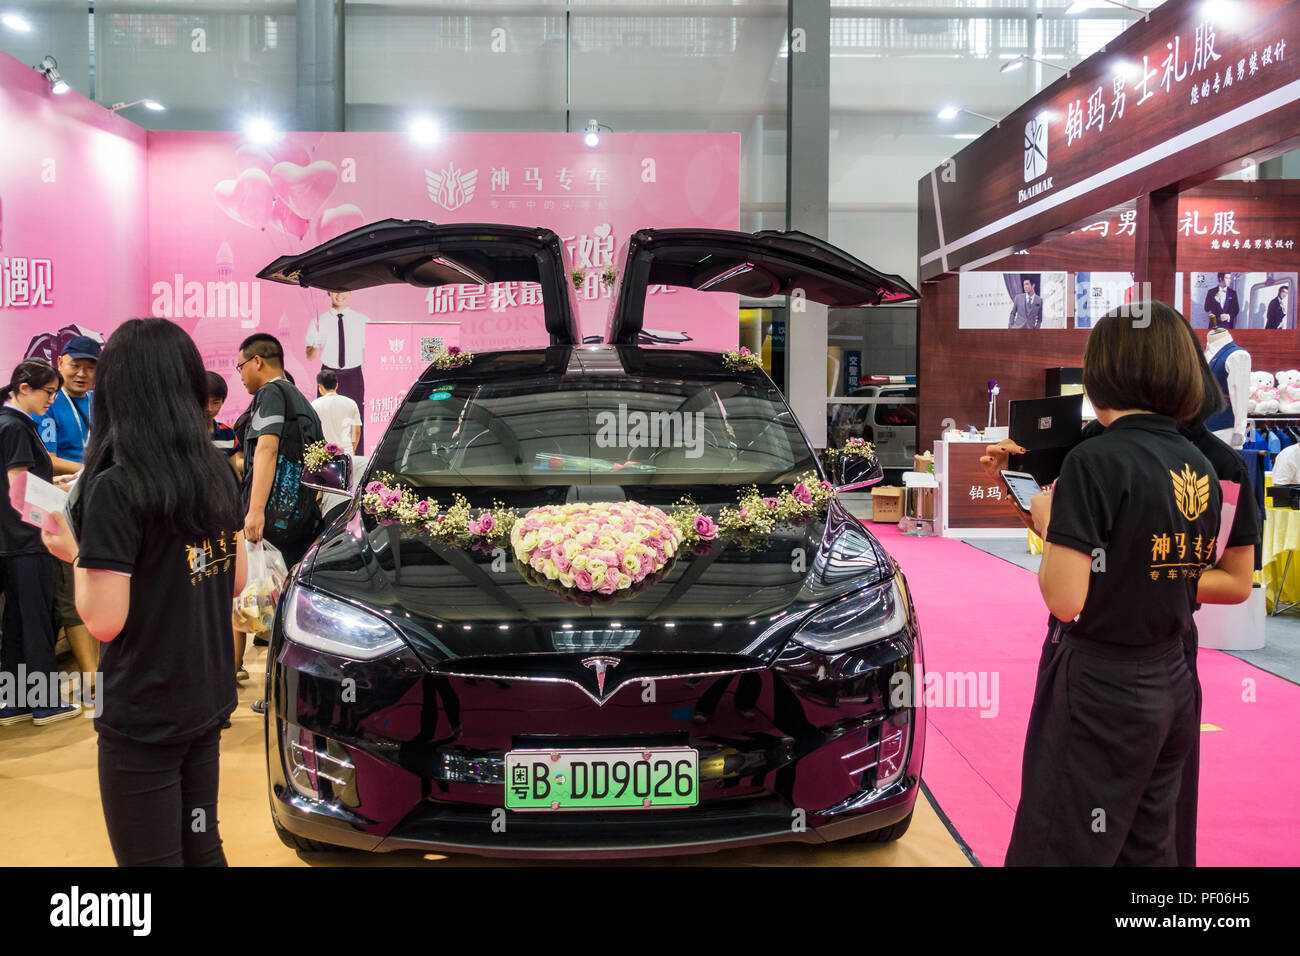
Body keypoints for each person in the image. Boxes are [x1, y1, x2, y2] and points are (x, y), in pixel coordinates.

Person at [992, 302, 1250, 866]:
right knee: (1148, 846)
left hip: (1100, 680)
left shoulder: (1094, 460)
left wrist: (1045, 521)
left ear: (1103, 371)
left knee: (1060, 841)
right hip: (1173, 677)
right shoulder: (1204, 465)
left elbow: (1065, 598)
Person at [40, 319, 247, 866]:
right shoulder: (216, 471)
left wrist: (75, 550)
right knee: (202, 845)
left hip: (144, 706)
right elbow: (238, 578)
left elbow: (104, 620)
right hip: (205, 690)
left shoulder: (115, 485)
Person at [237, 333, 324, 714]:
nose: (240, 376)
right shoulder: (303, 400)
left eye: (241, 367)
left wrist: (255, 511)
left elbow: (267, 448)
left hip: (276, 519)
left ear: (257, 361)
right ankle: (293, 689)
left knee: (273, 608)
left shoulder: (271, 394)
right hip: (300, 519)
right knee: (290, 607)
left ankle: (281, 692)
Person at [0, 360, 80, 726]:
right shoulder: (15, 427)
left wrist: (53, 489)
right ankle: (45, 702)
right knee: (34, 621)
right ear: (24, 388)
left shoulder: (9, 424)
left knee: (17, 623)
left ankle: (15, 702)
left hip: (11, 541)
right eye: (49, 393)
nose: (52, 399)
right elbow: (19, 491)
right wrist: (51, 522)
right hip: (27, 541)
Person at [28, 336, 103, 692]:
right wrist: (90, 470)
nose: (83, 373)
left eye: (91, 367)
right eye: (76, 365)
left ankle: (102, 673)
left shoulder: (95, 402)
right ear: (60, 362)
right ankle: (92, 679)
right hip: (62, 510)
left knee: (99, 584)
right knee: (73, 589)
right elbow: (46, 457)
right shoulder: (50, 404)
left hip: (95, 507)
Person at [305, 290, 369, 449]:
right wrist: (315, 345)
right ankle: (322, 454)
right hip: (328, 372)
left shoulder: (362, 321)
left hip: (353, 374)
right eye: (335, 291)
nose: (340, 295)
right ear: (328, 292)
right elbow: (310, 356)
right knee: (321, 416)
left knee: (355, 418)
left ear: (351, 292)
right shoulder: (318, 321)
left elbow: (371, 349)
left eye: (344, 291)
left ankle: (355, 456)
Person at [311, 368, 362, 455]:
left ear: (320, 387)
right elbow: (356, 431)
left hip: (324, 454)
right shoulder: (351, 403)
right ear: (337, 385)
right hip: (347, 453)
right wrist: (352, 449)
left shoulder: (314, 405)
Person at [205, 371, 243, 478]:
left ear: (222, 402)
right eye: (204, 401)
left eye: (215, 402)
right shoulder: (184, 432)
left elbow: (234, 471)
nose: (209, 408)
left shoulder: (228, 434)